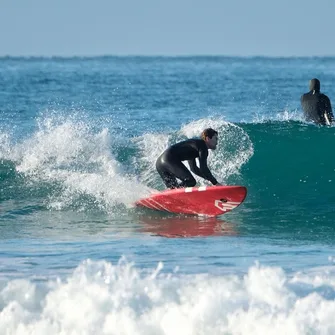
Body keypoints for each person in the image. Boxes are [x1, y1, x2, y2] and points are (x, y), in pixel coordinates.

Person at [155, 128, 222, 189]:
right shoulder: (203, 146)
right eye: (216, 138)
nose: (217, 142)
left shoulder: (194, 146)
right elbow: (203, 168)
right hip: (169, 159)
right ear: (208, 138)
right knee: (190, 181)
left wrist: (208, 179)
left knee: (173, 189)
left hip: (160, 163)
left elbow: (194, 169)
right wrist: (215, 183)